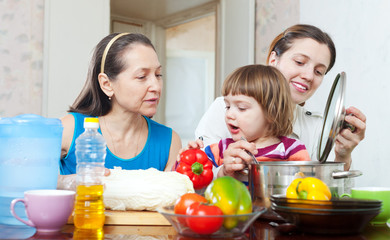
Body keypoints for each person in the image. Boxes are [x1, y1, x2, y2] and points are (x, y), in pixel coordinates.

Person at [195, 24, 366, 171]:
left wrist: (343, 154)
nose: (308, 76)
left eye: (319, 71)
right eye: (299, 62)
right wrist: (224, 170)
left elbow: (325, 192)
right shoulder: (224, 110)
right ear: (273, 60)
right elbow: (197, 174)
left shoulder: (318, 127)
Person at [59, 32, 182, 177]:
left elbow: (177, 198)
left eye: (158, 75)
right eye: (142, 76)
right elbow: (29, 180)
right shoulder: (69, 130)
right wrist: (70, 183)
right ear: (107, 84)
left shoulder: (169, 142)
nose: (156, 86)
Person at [181, 65, 311, 180]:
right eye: (227, 107)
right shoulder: (222, 149)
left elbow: (308, 186)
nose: (229, 114)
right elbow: (188, 178)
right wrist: (190, 156)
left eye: (241, 108)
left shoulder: (292, 150)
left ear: (271, 113)